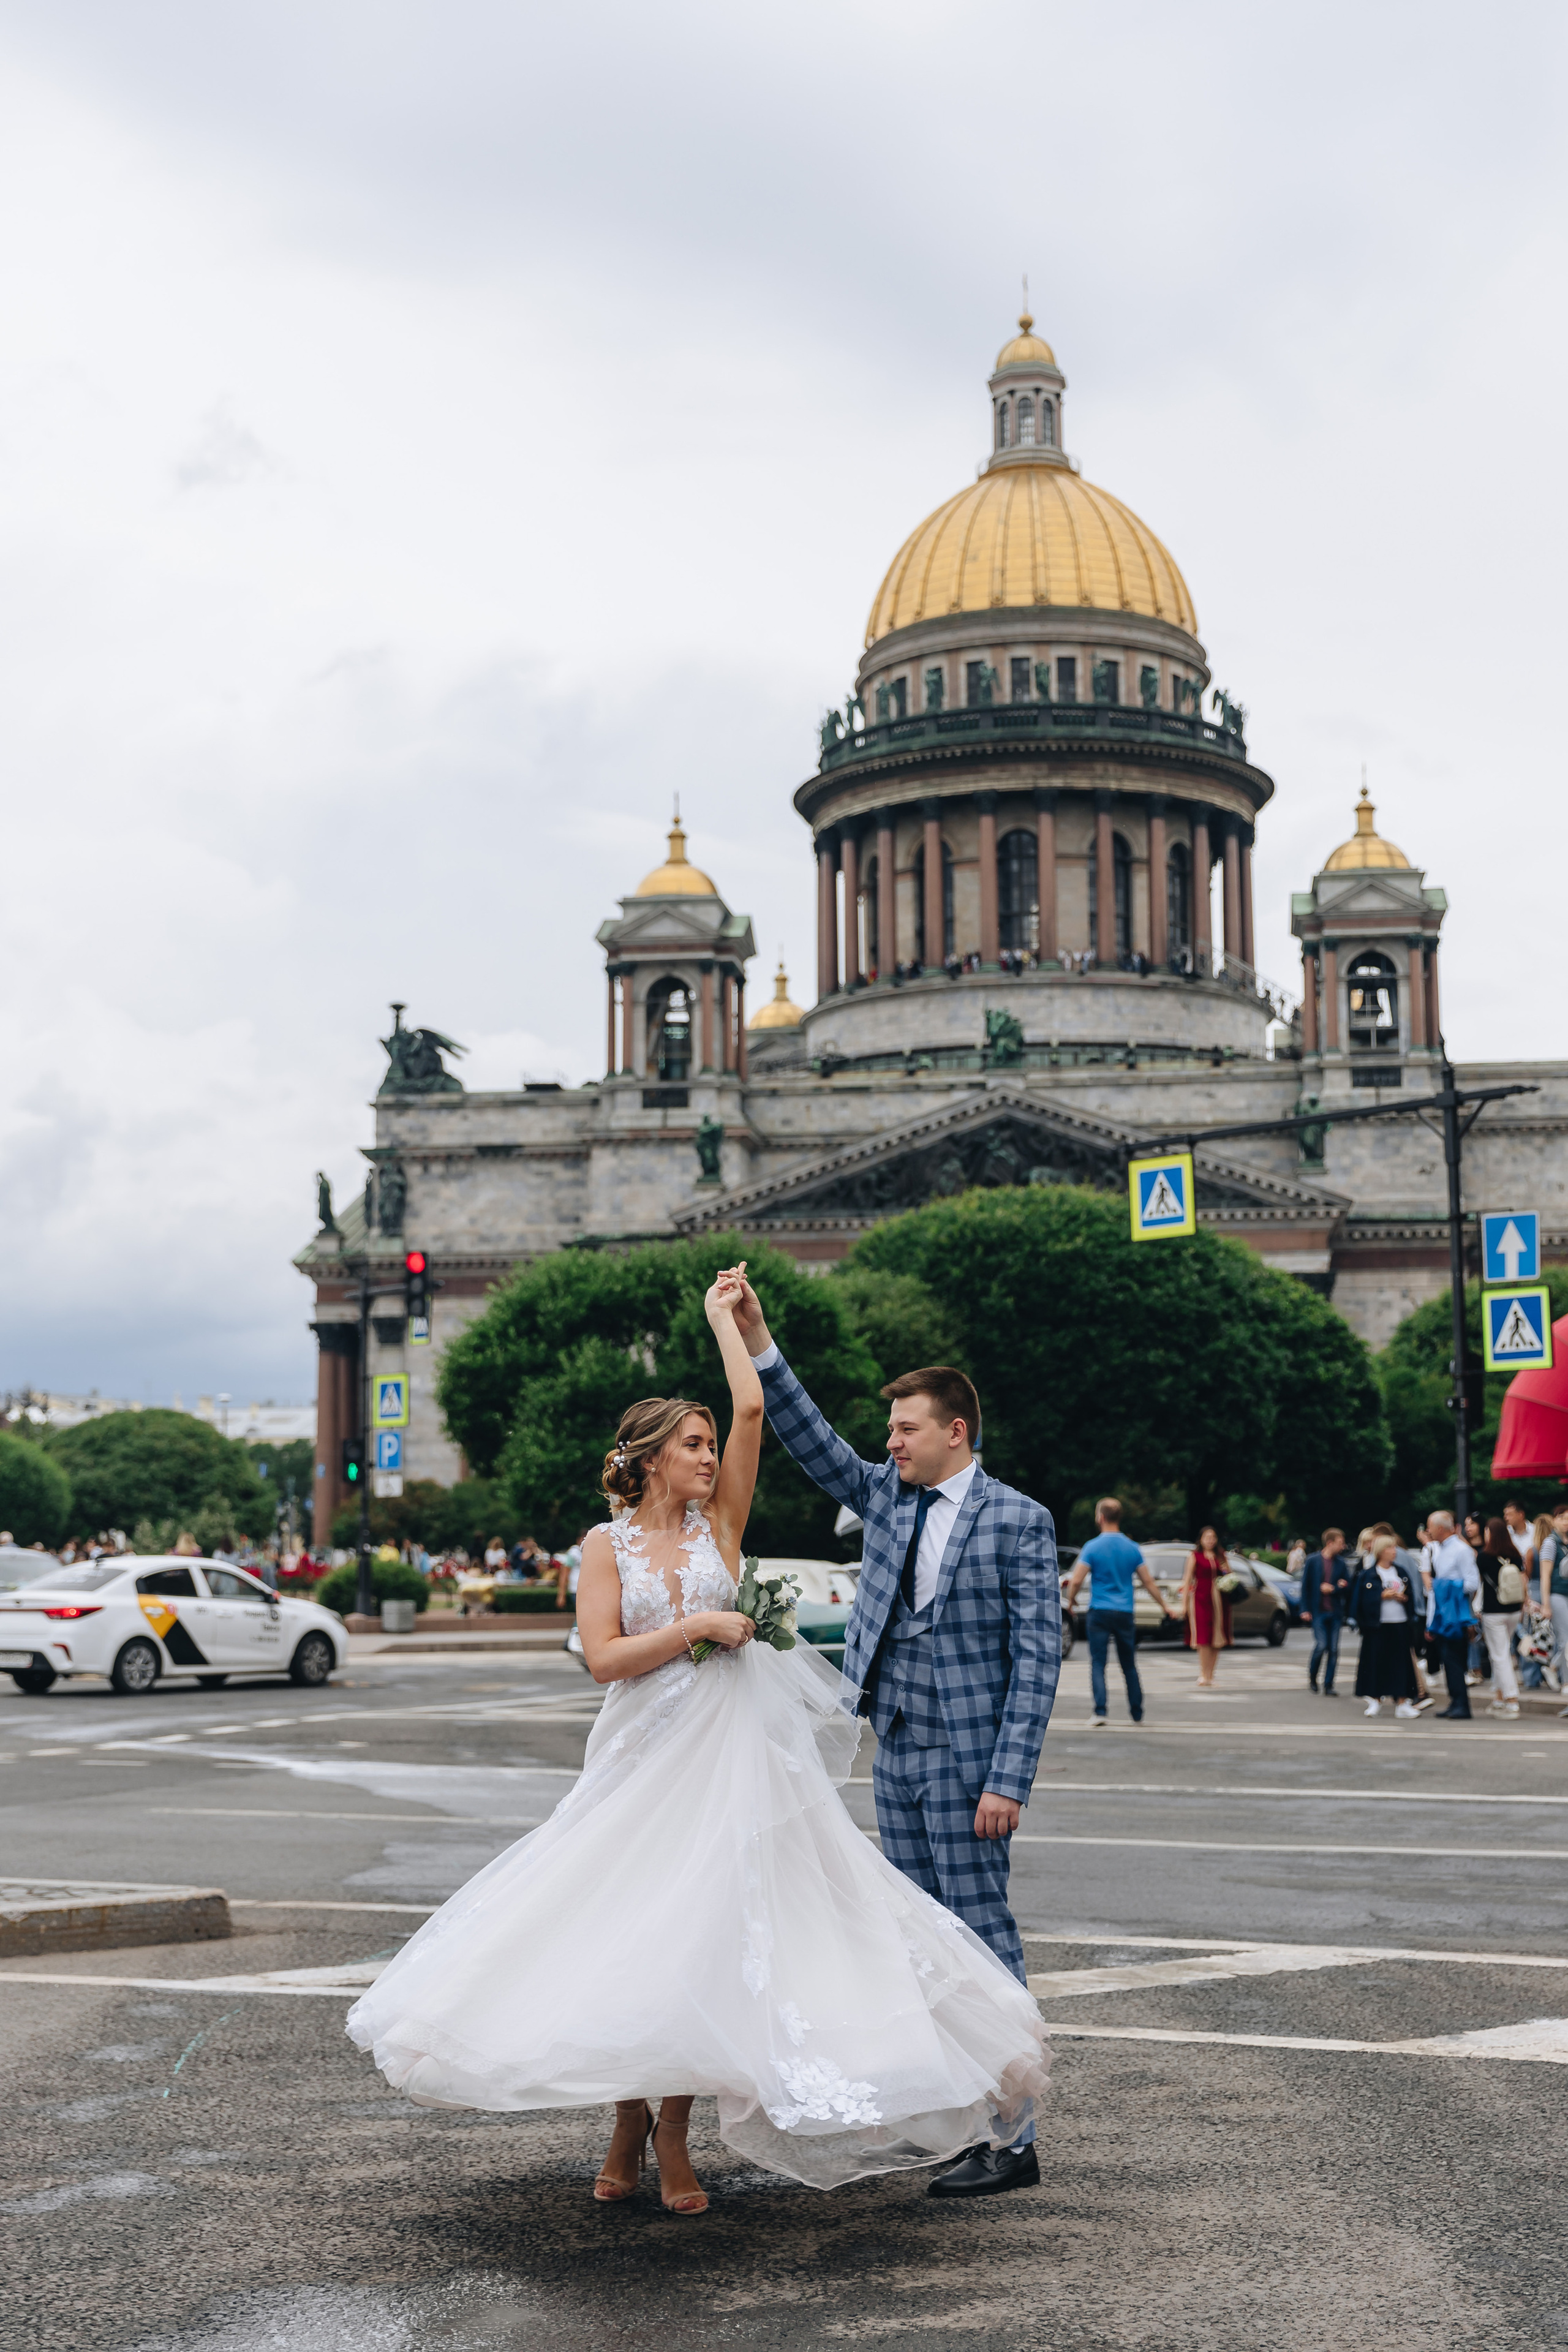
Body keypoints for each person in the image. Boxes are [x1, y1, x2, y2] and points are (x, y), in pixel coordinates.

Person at [346, 1266, 1047, 2209]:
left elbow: (757, 1415)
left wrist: (733, 1326)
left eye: (710, 1445)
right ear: (648, 1458)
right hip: (651, 1754)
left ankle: (982, 2127)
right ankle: (632, 2120)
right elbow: (604, 1655)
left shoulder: (743, 1527)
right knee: (642, 1931)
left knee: (784, 1935)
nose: (712, 1455)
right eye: (693, 1444)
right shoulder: (616, 1544)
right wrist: (698, 1629)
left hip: (766, 1761)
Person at [727, 1268, 1057, 2200]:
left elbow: (1038, 1663)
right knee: (921, 1943)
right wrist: (760, 1339)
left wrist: (1009, 1779)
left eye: (906, 1429)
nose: (891, 1442)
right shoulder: (887, 1498)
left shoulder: (1020, 1523)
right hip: (899, 1749)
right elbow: (809, 1438)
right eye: (889, 1432)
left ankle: (1015, 2136)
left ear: (956, 1431)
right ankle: (962, 2123)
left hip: (972, 1763)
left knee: (983, 1939)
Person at [1064, 1499, 1180, 1725]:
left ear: (1101, 1518)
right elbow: (1148, 1581)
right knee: (1129, 1665)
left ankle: (1100, 1711)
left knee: (1098, 1663)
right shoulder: (1132, 1547)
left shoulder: (1092, 1546)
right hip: (1125, 1611)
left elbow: (1076, 1580)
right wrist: (1165, 1607)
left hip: (1100, 1610)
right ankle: (1137, 1713)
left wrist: (1072, 1600)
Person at [1350, 1534, 1420, 1717]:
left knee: (1401, 1664)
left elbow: (1410, 1595)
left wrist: (1403, 1598)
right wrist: (1381, 1597)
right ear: (1381, 1552)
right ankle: (1375, 1700)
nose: (1394, 1551)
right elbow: (1360, 1601)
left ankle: (1403, 1702)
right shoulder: (1369, 1574)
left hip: (1400, 1623)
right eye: (1391, 1548)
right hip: (1377, 1626)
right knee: (1376, 1663)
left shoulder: (1401, 1572)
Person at [1424, 1510, 1482, 1719]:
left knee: (1455, 1659)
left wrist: (1444, 1586)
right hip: (1444, 1613)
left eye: (1430, 1526)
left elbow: (1472, 1583)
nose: (1428, 1531)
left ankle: (1461, 1705)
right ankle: (1455, 1701)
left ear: (1441, 1528)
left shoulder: (1461, 1550)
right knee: (1447, 1660)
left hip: (1455, 1615)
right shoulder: (1439, 1550)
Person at [1476, 1515, 1525, 1721]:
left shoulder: (1483, 1557)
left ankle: (1512, 1701)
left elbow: (1478, 1584)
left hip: (1493, 1612)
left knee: (1500, 1655)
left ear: (1490, 1533)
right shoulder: (1515, 1554)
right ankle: (1498, 1698)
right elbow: (1523, 1579)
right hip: (1514, 1610)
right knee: (1502, 1652)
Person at [1300, 1528, 1352, 1695]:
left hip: (1335, 1612)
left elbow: (1347, 1586)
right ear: (1330, 1543)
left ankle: (1329, 1684)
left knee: (1334, 1649)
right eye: (1340, 1543)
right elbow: (1305, 1586)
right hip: (1318, 1612)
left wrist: (1335, 1589)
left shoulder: (1341, 1563)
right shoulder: (1313, 1561)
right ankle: (1313, 1677)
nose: (1343, 1546)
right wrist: (1305, 1609)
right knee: (1322, 1646)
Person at [1180, 1527, 1232, 1689]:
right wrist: (1184, 1606)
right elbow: (1187, 1580)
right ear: (1201, 1539)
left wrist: (1225, 1570)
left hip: (1219, 1600)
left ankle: (1212, 1675)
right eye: (1207, 1537)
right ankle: (1203, 1674)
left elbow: (1230, 1576)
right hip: (1200, 1599)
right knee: (1203, 1637)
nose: (1210, 1540)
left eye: (1213, 1537)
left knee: (1217, 1637)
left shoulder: (1220, 1555)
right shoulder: (1195, 1556)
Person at [1539, 1506, 1568, 1715]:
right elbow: (1545, 1575)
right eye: (1562, 1518)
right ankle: (1565, 1681)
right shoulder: (1550, 1543)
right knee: (1566, 1641)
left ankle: (1554, 1667)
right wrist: (1546, 1603)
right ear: (1554, 1520)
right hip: (1557, 1595)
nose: (1566, 1521)